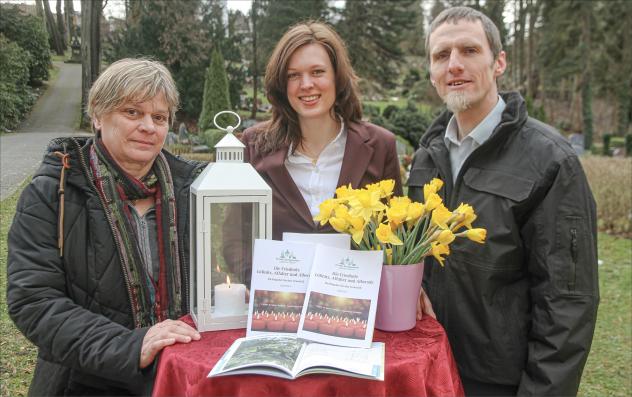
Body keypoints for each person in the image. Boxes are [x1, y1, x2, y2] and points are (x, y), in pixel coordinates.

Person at [409, 7, 599, 397]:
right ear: (431, 71)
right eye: (442, 55)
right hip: (427, 369)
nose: (455, 65)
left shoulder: (550, 160)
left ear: (499, 62)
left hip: (498, 382)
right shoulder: (427, 155)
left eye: (469, 50)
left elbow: (567, 301)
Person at [7, 58, 204, 396]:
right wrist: (130, 346)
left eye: (159, 117)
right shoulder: (54, 191)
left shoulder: (193, 190)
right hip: (84, 381)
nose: (148, 126)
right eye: (132, 112)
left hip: (180, 377)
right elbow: (34, 300)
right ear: (97, 115)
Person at [241, 21, 403, 240]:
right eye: (293, 75)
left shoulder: (380, 145)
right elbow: (236, 238)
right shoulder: (253, 145)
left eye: (317, 72)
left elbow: (395, 236)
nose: (306, 84)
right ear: (281, 83)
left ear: (337, 77)